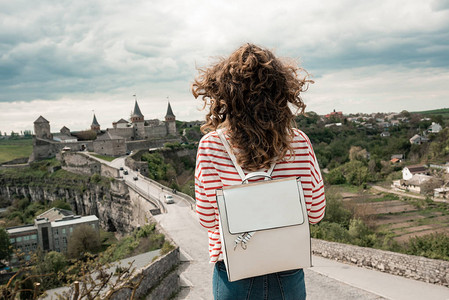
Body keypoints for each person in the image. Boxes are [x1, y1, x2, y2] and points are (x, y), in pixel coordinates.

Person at [192, 43, 326, 300]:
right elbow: (316, 213)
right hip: (287, 268)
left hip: (233, 271)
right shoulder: (298, 141)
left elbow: (207, 220)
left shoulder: (210, 146)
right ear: (281, 92)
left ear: (225, 95)